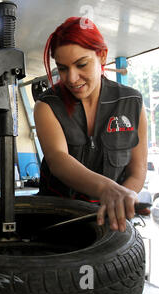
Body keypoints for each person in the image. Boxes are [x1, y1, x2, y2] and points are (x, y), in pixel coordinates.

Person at [34, 17, 148, 232]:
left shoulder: (132, 104)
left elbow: (137, 171)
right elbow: (58, 160)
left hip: (111, 223)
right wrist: (106, 188)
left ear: (102, 56)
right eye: (63, 68)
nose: (72, 78)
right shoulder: (46, 106)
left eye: (81, 64)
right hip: (57, 220)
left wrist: (121, 198)